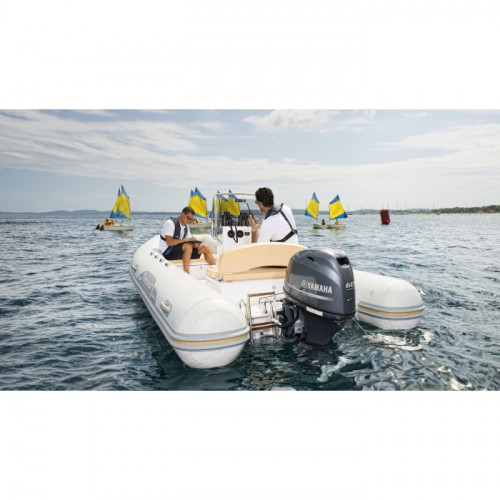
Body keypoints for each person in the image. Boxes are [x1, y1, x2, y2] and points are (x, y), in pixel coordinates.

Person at [159, 206, 215, 273]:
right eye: (188, 218)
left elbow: (190, 239)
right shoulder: (170, 224)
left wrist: (195, 243)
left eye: (191, 219)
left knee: (205, 248)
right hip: (168, 252)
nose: (189, 221)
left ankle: (215, 270)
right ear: (182, 214)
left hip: (180, 252)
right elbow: (170, 242)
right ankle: (186, 273)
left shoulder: (186, 227)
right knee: (188, 246)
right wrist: (185, 240)